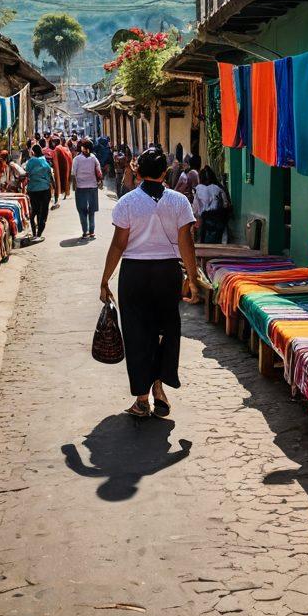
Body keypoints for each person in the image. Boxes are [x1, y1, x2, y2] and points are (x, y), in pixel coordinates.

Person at [100, 148, 199, 419]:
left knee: (137, 334)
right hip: (168, 273)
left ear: (139, 172)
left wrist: (105, 279)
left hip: (135, 275)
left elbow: (118, 244)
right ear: (165, 173)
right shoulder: (179, 202)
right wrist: (192, 278)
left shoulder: (128, 203)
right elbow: (186, 244)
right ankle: (159, 389)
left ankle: (142, 399)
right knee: (164, 331)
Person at [72, 139, 104, 239]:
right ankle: (92, 232)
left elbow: (73, 174)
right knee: (91, 210)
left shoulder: (77, 159)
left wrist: (74, 186)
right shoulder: (94, 158)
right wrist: (100, 182)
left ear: (83, 148)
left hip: (81, 188)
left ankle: (85, 232)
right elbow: (99, 172)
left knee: (82, 210)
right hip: (93, 187)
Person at [24, 143, 55, 239]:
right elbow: (50, 176)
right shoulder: (45, 161)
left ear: (33, 152)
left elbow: (26, 174)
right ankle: (39, 233)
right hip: (45, 190)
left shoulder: (30, 161)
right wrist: (54, 188)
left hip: (33, 190)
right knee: (43, 212)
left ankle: (34, 233)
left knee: (35, 211)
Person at [193, 166, 230, 243]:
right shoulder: (219, 188)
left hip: (203, 222)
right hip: (218, 221)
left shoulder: (198, 189)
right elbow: (226, 205)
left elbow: (195, 209)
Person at [55, 137, 74, 202]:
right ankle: (65, 193)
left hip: (61, 166)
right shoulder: (66, 149)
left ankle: (61, 193)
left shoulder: (58, 149)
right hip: (67, 166)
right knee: (66, 178)